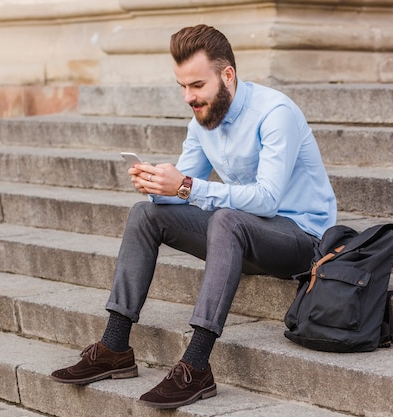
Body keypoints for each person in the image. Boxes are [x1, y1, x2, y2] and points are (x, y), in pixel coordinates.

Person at [50, 24, 337, 409]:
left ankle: (196, 365)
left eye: (197, 85)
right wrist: (157, 186)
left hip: (301, 239)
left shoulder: (275, 113)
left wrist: (184, 186)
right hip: (242, 236)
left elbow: (266, 200)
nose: (189, 97)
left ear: (227, 75)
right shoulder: (202, 119)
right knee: (145, 215)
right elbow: (184, 191)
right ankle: (114, 347)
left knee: (226, 218)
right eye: (183, 87)